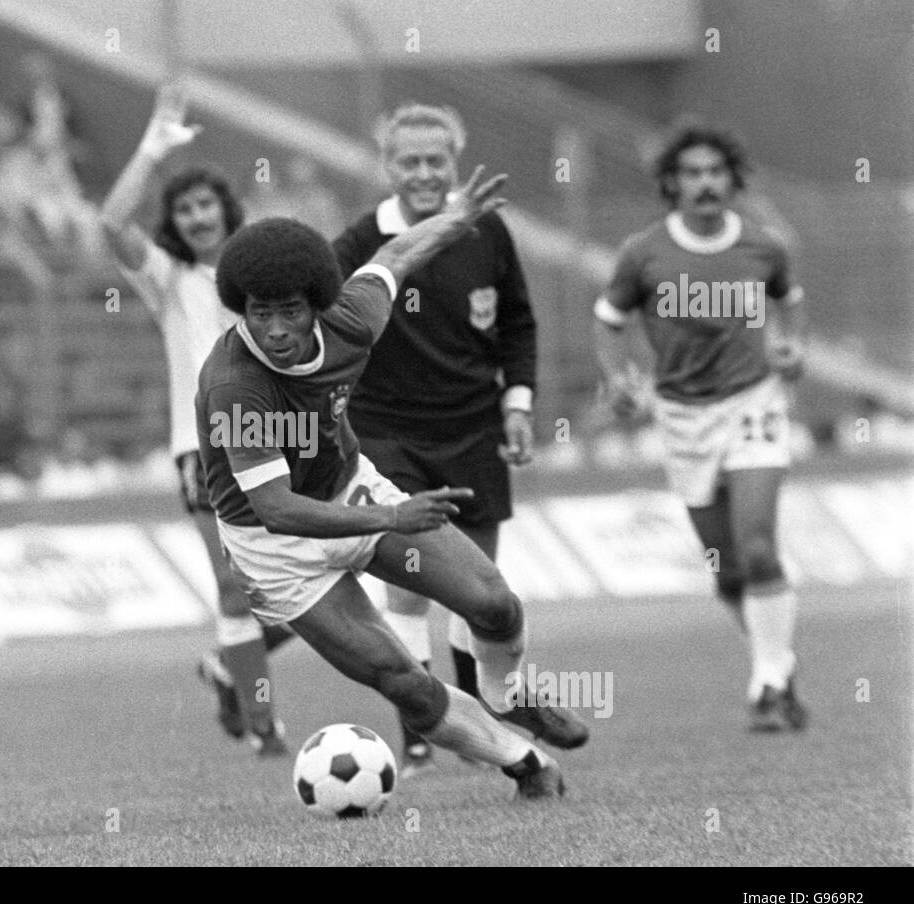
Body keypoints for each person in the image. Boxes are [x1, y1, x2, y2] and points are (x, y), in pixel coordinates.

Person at [196, 165, 590, 800]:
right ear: (241, 308)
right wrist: (391, 519)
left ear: (317, 306)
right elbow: (274, 508)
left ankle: (504, 692)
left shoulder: (352, 320)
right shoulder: (236, 384)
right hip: (276, 549)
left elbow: (395, 253)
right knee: (400, 677)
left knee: (494, 604)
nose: (275, 329)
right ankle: (524, 764)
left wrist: (458, 218)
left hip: (351, 489)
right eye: (260, 312)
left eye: (290, 311)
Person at [332, 103, 540, 776]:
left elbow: (518, 324)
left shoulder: (490, 233)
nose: (423, 173)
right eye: (409, 161)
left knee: (479, 585)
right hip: (390, 433)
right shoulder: (356, 245)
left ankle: (482, 713)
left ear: (454, 162)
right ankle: (419, 729)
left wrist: (517, 404)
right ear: (387, 166)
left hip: (475, 426)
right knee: (412, 584)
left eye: (435, 161)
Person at [594, 123, 809, 731]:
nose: (705, 183)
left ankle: (767, 687)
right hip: (683, 417)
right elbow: (607, 320)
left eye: (715, 171)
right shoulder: (644, 253)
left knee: (760, 545)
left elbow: (790, 301)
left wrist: (792, 347)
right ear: (672, 184)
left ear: (732, 179)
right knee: (727, 570)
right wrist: (619, 381)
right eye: (691, 173)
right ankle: (778, 667)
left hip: (753, 403)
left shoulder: (763, 246)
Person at [99, 85, 291, 755]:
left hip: (277, 441)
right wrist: (152, 146)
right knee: (236, 589)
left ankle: (227, 668)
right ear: (173, 222)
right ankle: (264, 727)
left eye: (206, 203)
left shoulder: (259, 277)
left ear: (225, 210)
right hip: (201, 450)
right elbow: (110, 222)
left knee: (323, 568)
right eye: (184, 209)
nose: (198, 216)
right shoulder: (167, 278)